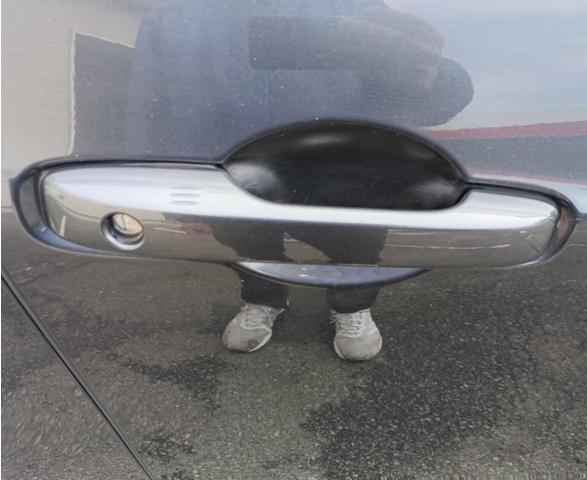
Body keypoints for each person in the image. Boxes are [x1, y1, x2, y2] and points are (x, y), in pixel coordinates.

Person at [126, 0, 473, 361]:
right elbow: (149, 107)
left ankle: (352, 304)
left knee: (356, 244)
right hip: (230, 166)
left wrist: (428, 72)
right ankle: (264, 298)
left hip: (346, 167)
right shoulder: (179, 16)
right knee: (246, 243)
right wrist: (174, 197)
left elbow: (436, 105)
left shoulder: (357, 6)